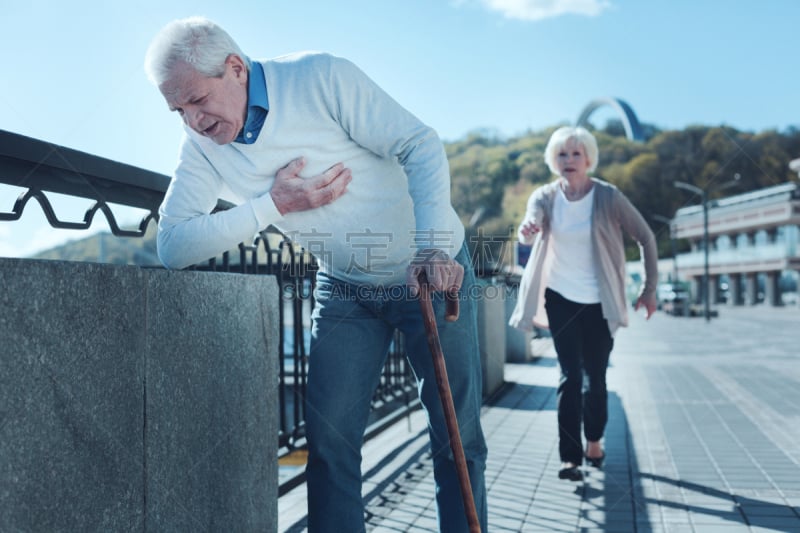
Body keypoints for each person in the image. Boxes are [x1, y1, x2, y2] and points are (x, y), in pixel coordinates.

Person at [144, 16, 487, 532]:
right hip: (345, 289)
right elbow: (173, 245)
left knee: (456, 436)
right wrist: (271, 205)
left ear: (235, 68)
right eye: (178, 111)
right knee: (329, 445)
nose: (193, 121)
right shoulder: (203, 147)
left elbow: (420, 143)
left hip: (430, 276)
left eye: (197, 100)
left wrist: (435, 247)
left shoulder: (319, 78)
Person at [509, 126, 657, 482]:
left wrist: (649, 288)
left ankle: (594, 439)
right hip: (560, 297)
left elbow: (646, 237)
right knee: (570, 376)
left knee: (596, 379)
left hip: (599, 302)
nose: (569, 160)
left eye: (576, 154)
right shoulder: (545, 196)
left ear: (588, 158)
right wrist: (527, 230)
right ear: (553, 160)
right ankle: (570, 458)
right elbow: (530, 224)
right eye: (562, 154)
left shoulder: (608, 197)